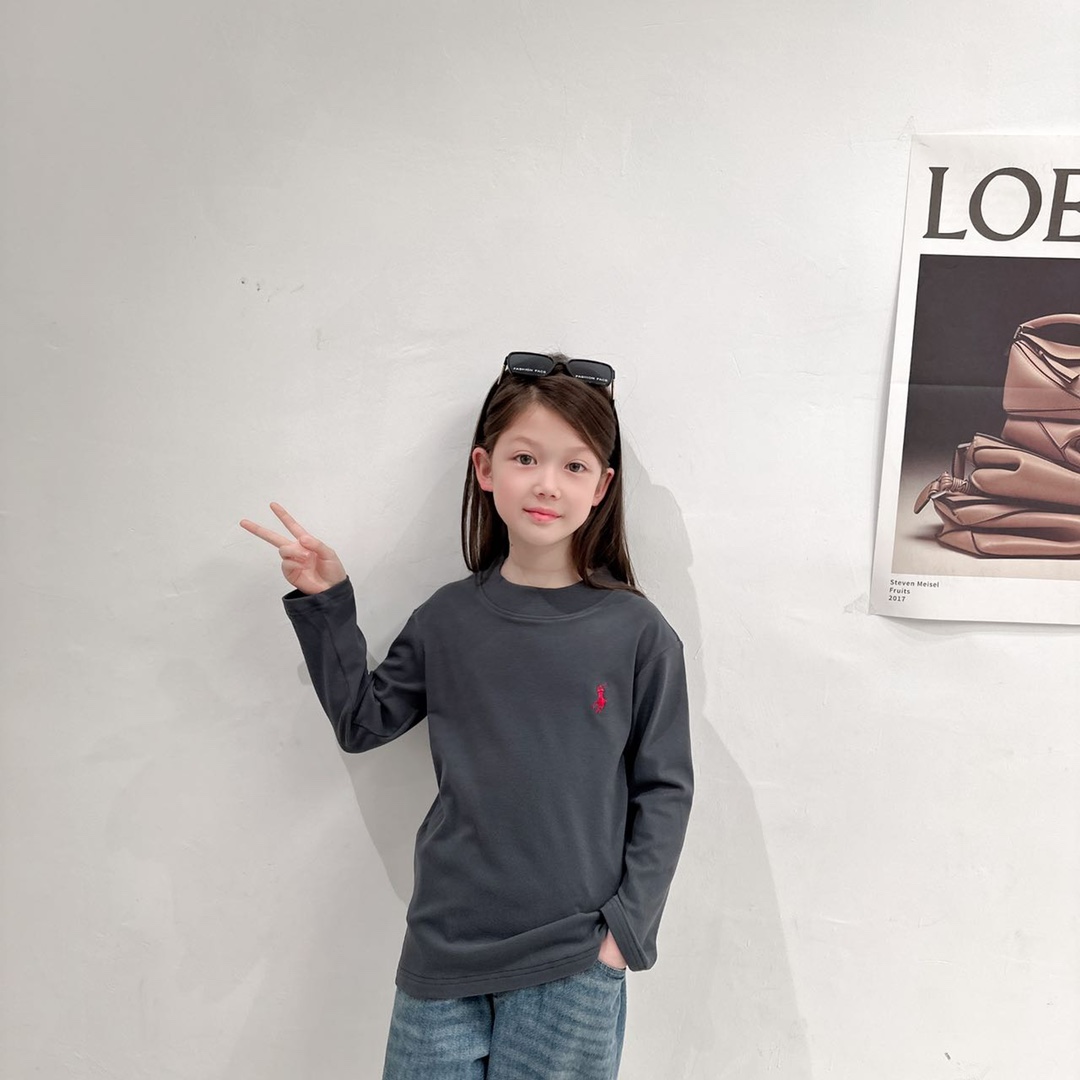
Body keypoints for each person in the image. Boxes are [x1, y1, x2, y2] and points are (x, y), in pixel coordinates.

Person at [240, 352, 694, 1079]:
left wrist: (623, 934)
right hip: (442, 951)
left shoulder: (637, 633)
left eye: (575, 466)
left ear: (602, 487)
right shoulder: (448, 619)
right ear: (485, 468)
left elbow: (665, 789)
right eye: (525, 457)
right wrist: (327, 603)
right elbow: (363, 722)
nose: (547, 483)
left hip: (573, 960)